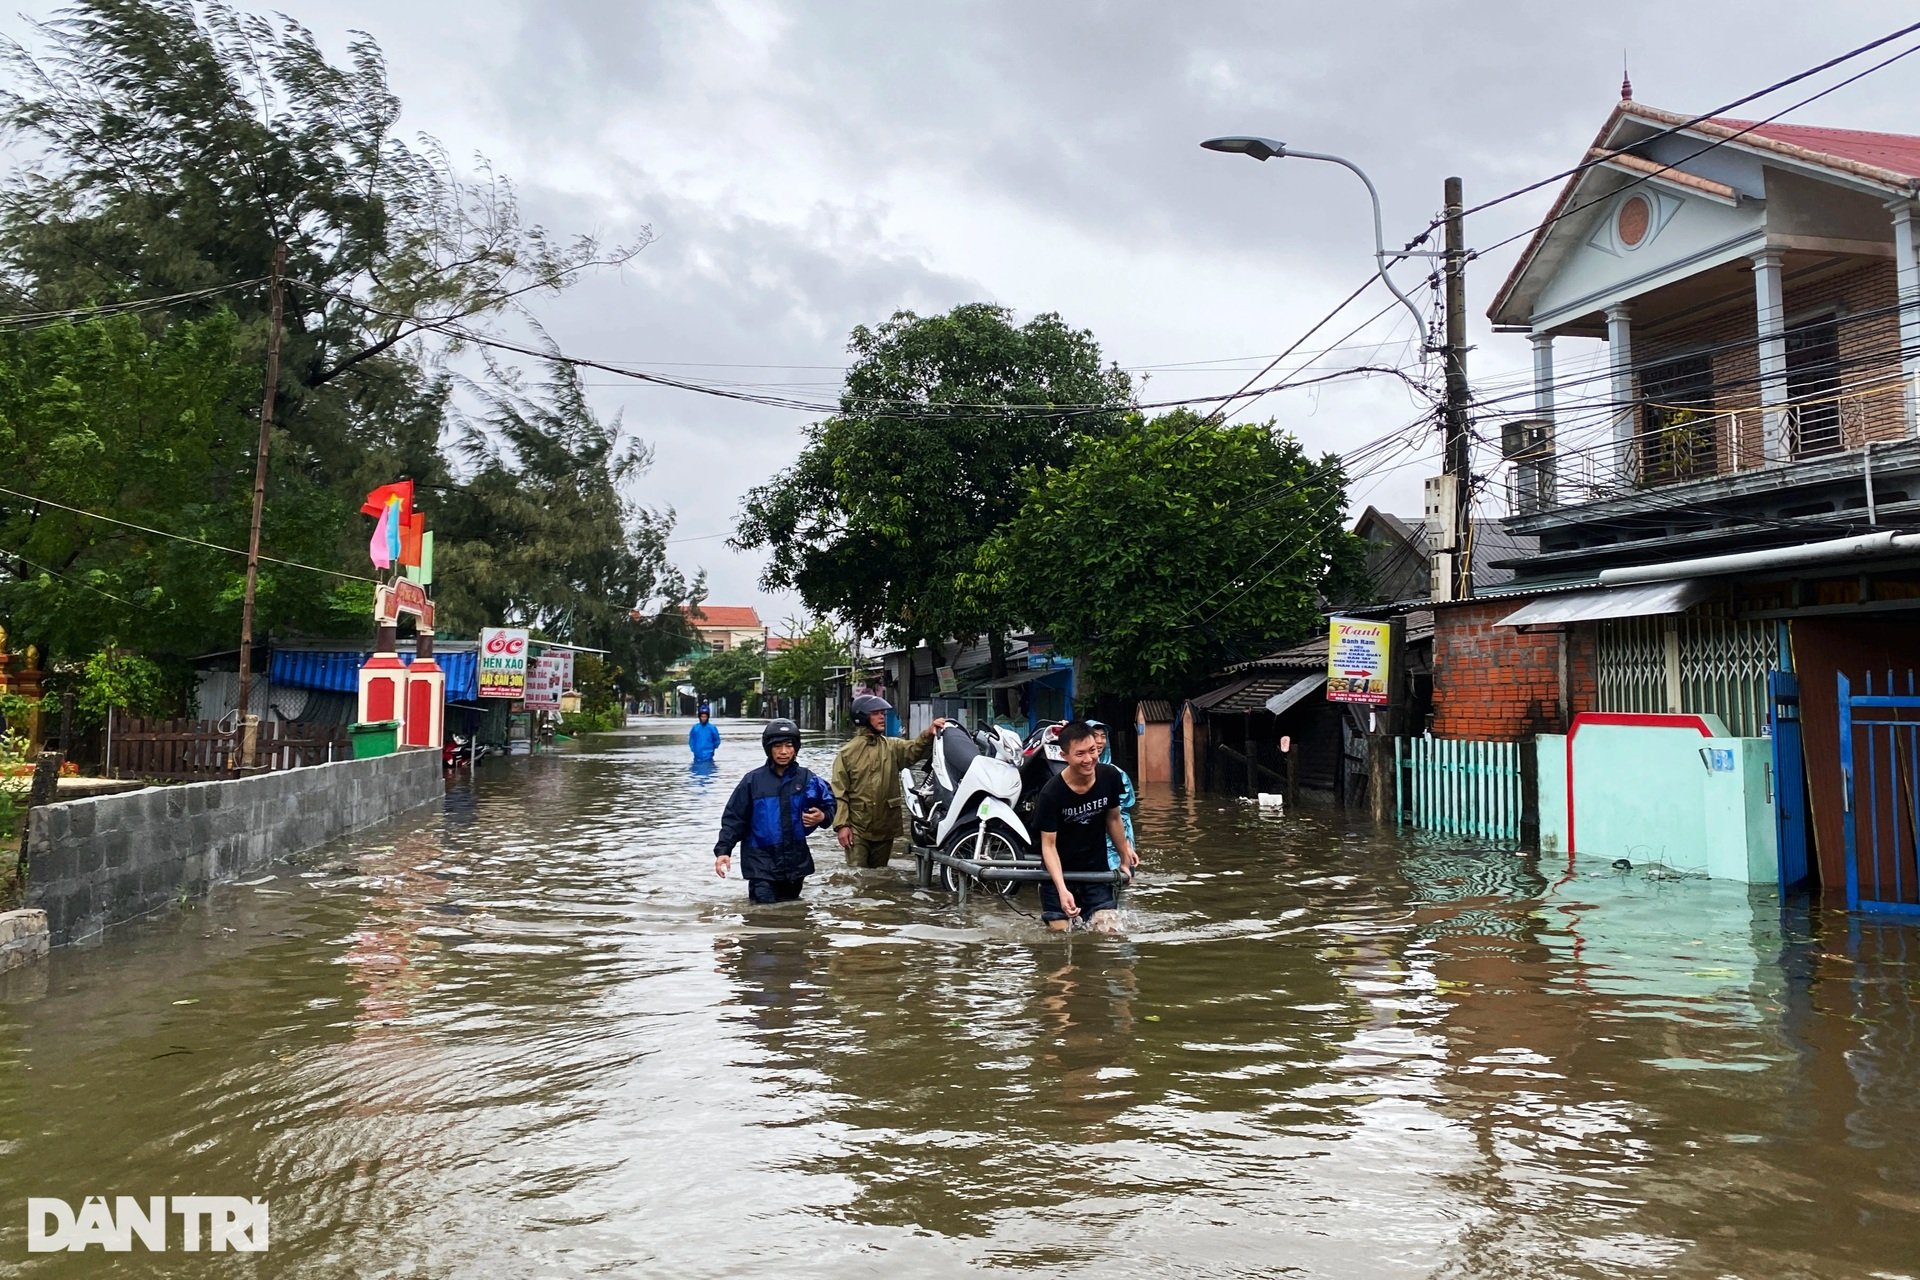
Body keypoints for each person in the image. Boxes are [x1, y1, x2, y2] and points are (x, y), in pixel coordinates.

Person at [713, 719, 836, 904]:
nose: (784, 751)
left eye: (789, 745)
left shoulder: (808, 779)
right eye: (777, 746)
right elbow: (734, 819)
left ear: (796, 748)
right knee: (764, 916)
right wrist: (724, 851)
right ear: (768, 749)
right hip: (760, 864)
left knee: (793, 917)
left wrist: (823, 816)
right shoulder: (752, 781)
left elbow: (831, 802)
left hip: (795, 863)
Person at [1035, 720, 1140, 933]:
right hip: (1059, 875)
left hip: (1096, 872)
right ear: (1064, 756)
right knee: (1060, 938)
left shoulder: (1109, 777)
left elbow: (1114, 819)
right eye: (1080, 754)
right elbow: (1049, 845)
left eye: (1092, 751)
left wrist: (1124, 859)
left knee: (1111, 933)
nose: (1088, 759)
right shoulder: (1050, 794)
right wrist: (1062, 890)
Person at [830, 694, 945, 868]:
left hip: (885, 826)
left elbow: (914, 750)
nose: (882, 717)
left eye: (882, 713)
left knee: (880, 876)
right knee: (858, 876)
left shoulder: (892, 746)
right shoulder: (847, 753)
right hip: (858, 827)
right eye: (876, 713)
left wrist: (928, 733)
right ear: (862, 717)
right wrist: (842, 826)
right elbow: (839, 793)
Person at [1085, 720, 1137, 882]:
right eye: (1095, 736)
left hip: (1112, 845)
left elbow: (1122, 815)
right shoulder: (1070, 773)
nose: (1099, 741)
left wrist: (1126, 846)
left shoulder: (1116, 774)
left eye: (1103, 736)